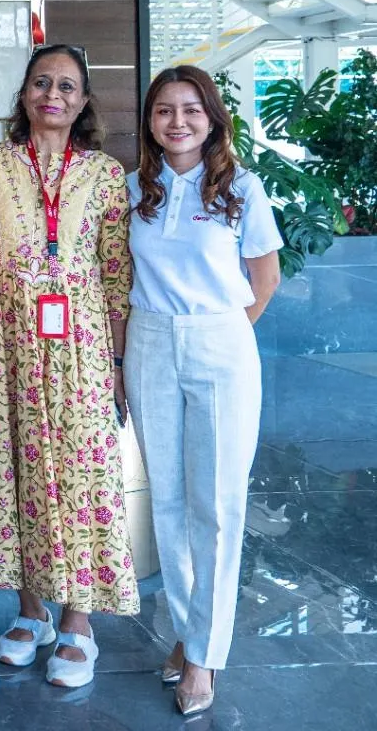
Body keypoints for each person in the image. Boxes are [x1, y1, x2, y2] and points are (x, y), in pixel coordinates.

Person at [0, 43, 138, 690]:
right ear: (25, 94)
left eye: (67, 86)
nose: (53, 94)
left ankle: (78, 620)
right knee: (18, 469)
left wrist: (115, 360)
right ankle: (30, 613)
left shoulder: (106, 175)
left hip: (78, 350)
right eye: (41, 82)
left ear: (83, 102)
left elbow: (116, 274)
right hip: (2, 346)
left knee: (78, 473)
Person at [126, 65, 281, 716]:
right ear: (151, 121)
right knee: (165, 501)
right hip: (149, 342)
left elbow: (264, 278)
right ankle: (189, 634)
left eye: (191, 109)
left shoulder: (241, 188)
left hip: (220, 340)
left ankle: (205, 659)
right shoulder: (135, 187)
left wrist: (216, 336)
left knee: (215, 505)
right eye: (164, 110)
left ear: (213, 118)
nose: (178, 121)